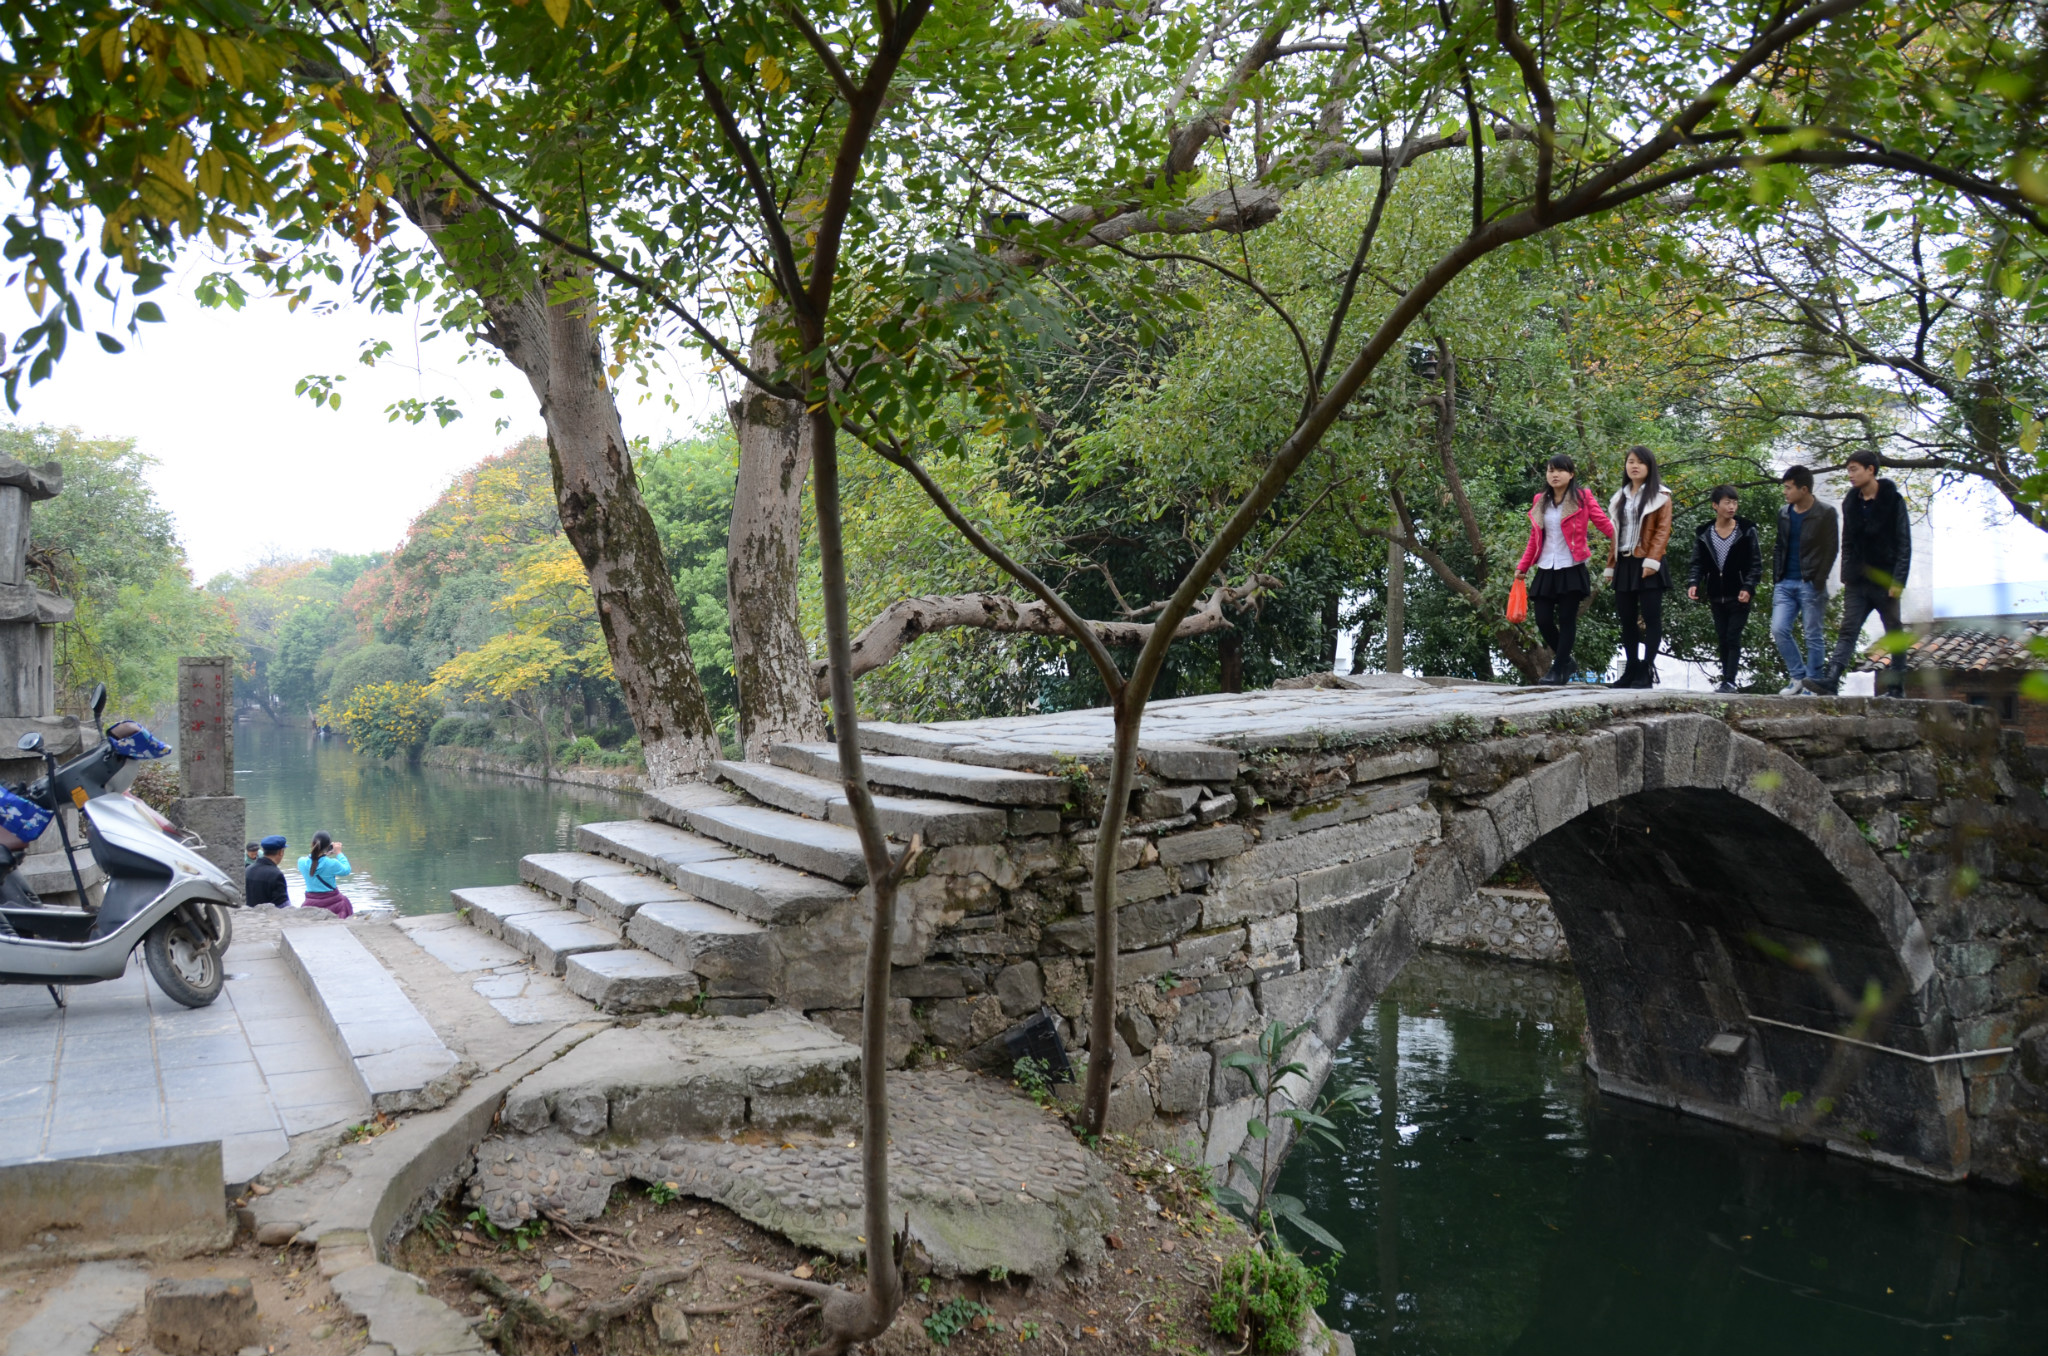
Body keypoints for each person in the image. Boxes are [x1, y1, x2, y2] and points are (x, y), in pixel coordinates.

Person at [1515, 453, 1616, 685]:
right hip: (1546, 567)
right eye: (1551, 470)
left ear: (1571, 474)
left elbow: (1603, 523)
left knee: (1567, 618)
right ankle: (1566, 661)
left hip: (1571, 566)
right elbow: (1534, 538)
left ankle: (1558, 668)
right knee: (1542, 619)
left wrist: (1627, 541)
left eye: (1560, 470)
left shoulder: (1582, 497)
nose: (1554, 474)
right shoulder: (1540, 500)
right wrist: (1523, 566)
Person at [1818, 449, 1912, 697]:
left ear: (1871, 470)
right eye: (1848, 469)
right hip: (1857, 581)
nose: (1850, 475)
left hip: (1886, 578)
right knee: (1848, 629)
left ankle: (1896, 686)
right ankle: (1831, 679)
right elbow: (1847, 540)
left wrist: (1899, 580)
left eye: (1854, 469)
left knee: (1893, 631)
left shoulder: (1893, 501)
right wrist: (1846, 574)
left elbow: (1904, 543)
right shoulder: (1851, 503)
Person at [1603, 445, 1672, 688]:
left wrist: (1652, 561)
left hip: (1648, 562)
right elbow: (1615, 534)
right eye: (1630, 462)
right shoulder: (1619, 497)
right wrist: (1611, 565)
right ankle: (1630, 670)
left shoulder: (1660, 496)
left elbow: (1662, 531)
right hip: (1624, 562)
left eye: (1640, 462)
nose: (1634, 466)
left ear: (1649, 467)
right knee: (1627, 619)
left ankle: (1646, 670)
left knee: (1652, 618)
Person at [1769, 464, 1838, 695]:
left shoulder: (1825, 513)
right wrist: (1777, 575)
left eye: (1789, 488)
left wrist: (1818, 579)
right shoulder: (1784, 513)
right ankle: (1798, 677)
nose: (1785, 492)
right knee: (1779, 629)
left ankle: (1814, 682)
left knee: (1813, 635)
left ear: (1804, 489)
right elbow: (1780, 546)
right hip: (1785, 583)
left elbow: (1831, 549)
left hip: (1810, 582)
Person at [1688, 485, 1763, 693]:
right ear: (1715, 505)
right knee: (1722, 637)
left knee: (1732, 636)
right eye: (1727, 502)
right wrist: (1694, 582)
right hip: (1715, 594)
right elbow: (1698, 563)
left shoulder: (1746, 530)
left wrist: (1748, 586)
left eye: (1735, 502)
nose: (1732, 507)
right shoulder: (1705, 533)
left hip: (1739, 594)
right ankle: (1726, 680)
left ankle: (1730, 680)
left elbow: (1756, 564)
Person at [297, 831, 354, 919]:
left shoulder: (301, 862)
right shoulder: (332, 864)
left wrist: (323, 854)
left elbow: (314, 861)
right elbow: (346, 870)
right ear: (328, 847)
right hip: (334, 904)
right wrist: (339, 853)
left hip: (311, 903)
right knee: (345, 901)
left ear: (312, 844)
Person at [245, 835, 290, 909]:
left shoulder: (248, 870)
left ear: (263, 850)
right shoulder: (276, 875)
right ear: (281, 852)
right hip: (269, 918)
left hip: (252, 915)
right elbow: (283, 906)